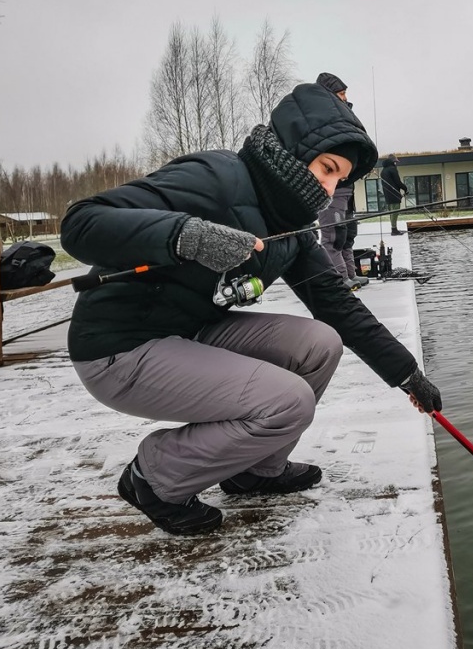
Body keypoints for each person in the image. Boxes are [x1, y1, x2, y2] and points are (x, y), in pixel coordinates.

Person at [61, 82, 442, 537]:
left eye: (339, 177)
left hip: (191, 331)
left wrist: (405, 373)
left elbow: (336, 304)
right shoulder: (214, 177)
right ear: (294, 148)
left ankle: (255, 469)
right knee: (288, 401)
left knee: (321, 344)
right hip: (119, 349)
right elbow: (81, 223)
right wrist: (185, 234)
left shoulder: (292, 225)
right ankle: (155, 476)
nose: (329, 185)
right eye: (326, 167)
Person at [314, 72, 366, 290]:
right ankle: (340, 279)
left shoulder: (346, 115)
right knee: (333, 236)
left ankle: (350, 274)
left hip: (348, 188)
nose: (345, 98)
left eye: (346, 93)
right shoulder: (320, 118)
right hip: (332, 189)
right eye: (341, 94)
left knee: (347, 233)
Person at [380, 153, 408, 235]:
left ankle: (394, 228)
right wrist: (405, 188)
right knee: (395, 212)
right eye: (395, 162)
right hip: (394, 194)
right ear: (392, 162)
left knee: (391, 213)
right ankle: (394, 230)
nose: (396, 163)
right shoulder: (392, 169)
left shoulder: (383, 170)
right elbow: (398, 182)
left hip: (387, 194)